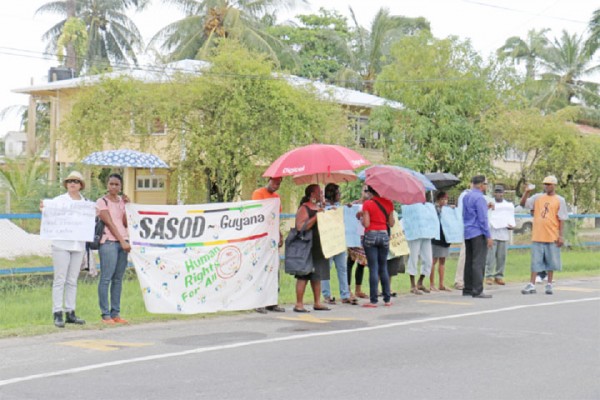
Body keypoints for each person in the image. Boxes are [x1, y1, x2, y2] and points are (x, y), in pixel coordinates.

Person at [43, 171, 88, 328]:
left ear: (81, 185)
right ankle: (57, 312)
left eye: (76, 181)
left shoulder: (86, 203)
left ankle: (71, 312)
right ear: (66, 184)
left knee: (72, 280)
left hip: (78, 244)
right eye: (70, 181)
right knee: (60, 279)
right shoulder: (59, 200)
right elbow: (48, 214)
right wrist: (44, 208)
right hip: (62, 243)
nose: (72, 183)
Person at [519, 175, 568, 295]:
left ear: (554, 185)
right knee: (535, 261)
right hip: (538, 235)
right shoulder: (537, 197)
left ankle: (549, 284)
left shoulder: (559, 200)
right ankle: (532, 284)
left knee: (551, 261)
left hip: (552, 235)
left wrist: (561, 236)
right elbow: (523, 204)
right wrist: (526, 193)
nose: (546, 186)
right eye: (545, 184)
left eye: (549, 184)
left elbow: (562, 219)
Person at [97, 173, 131, 324]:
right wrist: (122, 241)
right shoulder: (102, 202)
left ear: (121, 186)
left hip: (123, 242)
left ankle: (115, 313)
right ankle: (105, 314)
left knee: (118, 279)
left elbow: (125, 222)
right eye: (111, 184)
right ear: (107, 185)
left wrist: (128, 207)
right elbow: (109, 223)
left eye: (117, 184)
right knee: (106, 278)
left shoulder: (122, 202)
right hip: (109, 242)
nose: (114, 187)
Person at [292, 184, 331, 312]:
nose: (321, 194)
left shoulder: (319, 207)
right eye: (319, 192)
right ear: (312, 194)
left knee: (317, 275)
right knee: (303, 275)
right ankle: (299, 304)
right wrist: (316, 217)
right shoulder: (304, 208)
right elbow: (300, 227)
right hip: (306, 246)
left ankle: (317, 302)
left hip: (318, 246)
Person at [251, 177, 285, 313]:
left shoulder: (277, 197)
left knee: (274, 269)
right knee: (260, 268)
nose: (276, 186)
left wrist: (279, 233)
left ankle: (272, 301)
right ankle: (257, 301)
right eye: (275, 183)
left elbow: (275, 217)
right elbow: (257, 213)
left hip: (272, 236)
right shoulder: (258, 193)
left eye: (279, 184)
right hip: (261, 236)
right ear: (270, 180)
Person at [359, 185, 394, 308]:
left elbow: (366, 223)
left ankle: (373, 300)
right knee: (383, 267)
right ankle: (387, 299)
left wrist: (361, 218)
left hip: (371, 235)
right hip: (384, 235)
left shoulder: (367, 204)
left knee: (373, 268)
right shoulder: (389, 203)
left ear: (371, 192)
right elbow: (392, 223)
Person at [321, 183, 356, 305]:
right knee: (326, 269)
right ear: (332, 194)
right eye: (338, 193)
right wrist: (326, 209)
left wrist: (348, 208)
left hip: (339, 241)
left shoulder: (339, 207)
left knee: (342, 268)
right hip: (328, 241)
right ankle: (326, 295)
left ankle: (345, 294)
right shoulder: (322, 207)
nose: (340, 195)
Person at [462, 175, 493, 298]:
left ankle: (468, 288)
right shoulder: (480, 198)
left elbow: (469, 212)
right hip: (478, 232)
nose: (486, 186)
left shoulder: (467, 196)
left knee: (469, 261)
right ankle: (478, 289)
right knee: (478, 261)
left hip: (468, 230)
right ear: (481, 185)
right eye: (485, 184)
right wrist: (488, 235)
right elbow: (482, 219)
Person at [485, 185, 514, 285]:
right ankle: (489, 276)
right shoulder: (490, 203)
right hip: (492, 233)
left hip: (504, 234)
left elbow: (510, 218)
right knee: (490, 257)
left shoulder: (507, 205)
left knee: (502, 257)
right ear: (494, 193)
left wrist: (511, 225)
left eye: (500, 192)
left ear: (503, 193)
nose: (498, 194)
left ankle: (499, 276)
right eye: (497, 192)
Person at [430, 191, 452, 291]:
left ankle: (441, 284)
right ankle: (431, 284)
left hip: (445, 237)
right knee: (433, 260)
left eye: (446, 199)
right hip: (436, 237)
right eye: (442, 199)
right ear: (438, 200)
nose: (444, 201)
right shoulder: (434, 209)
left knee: (442, 260)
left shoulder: (448, 210)